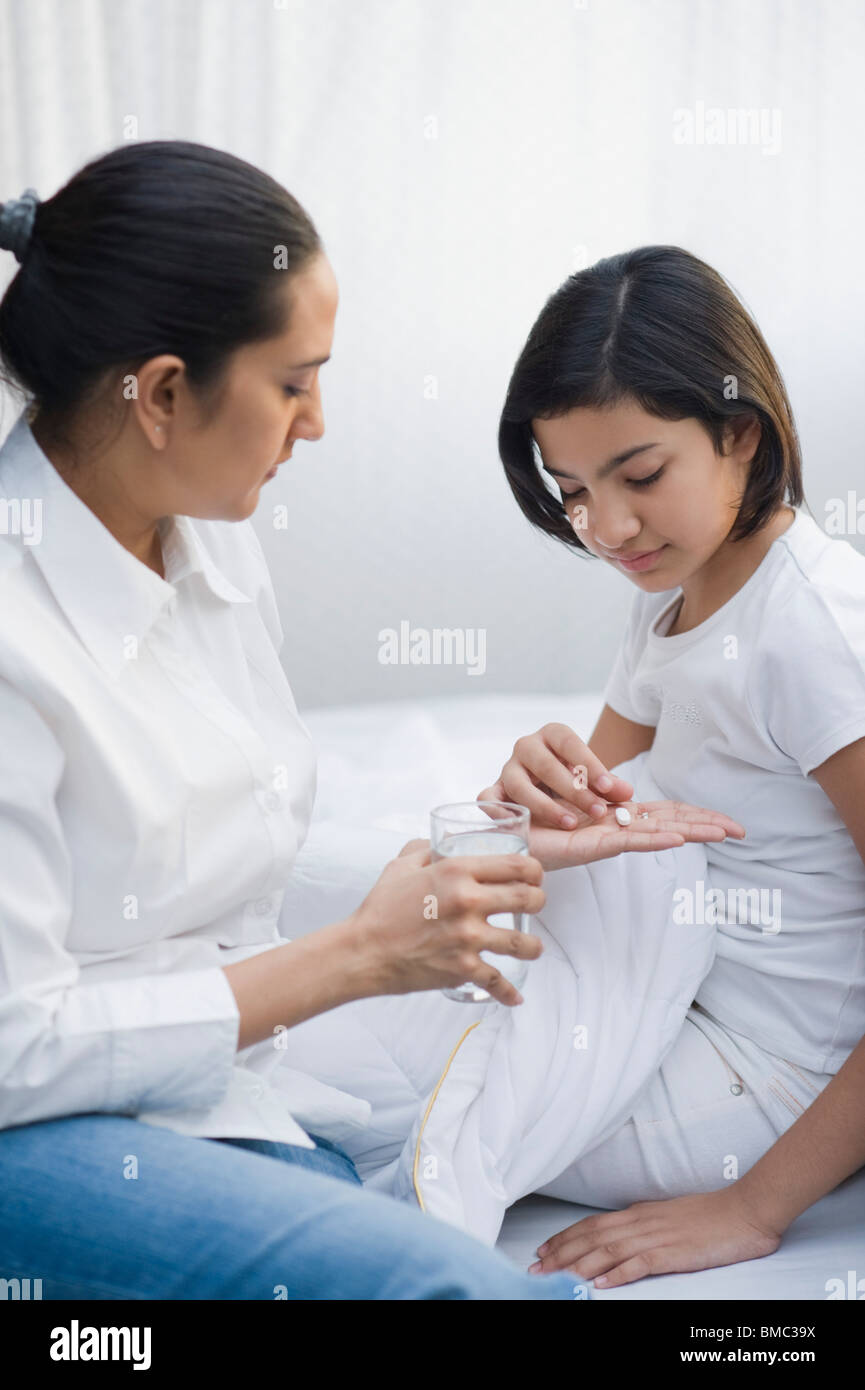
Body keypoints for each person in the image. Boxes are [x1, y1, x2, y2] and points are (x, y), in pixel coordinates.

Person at [0, 143, 736, 1301]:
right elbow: (14, 1047)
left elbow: (226, 875)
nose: (319, 422)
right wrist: (356, 956)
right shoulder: (13, 634)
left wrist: (487, 848)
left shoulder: (211, 546)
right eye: (292, 383)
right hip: (39, 1126)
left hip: (220, 1096)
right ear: (160, 393)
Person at [479, 244, 865, 1288]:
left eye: (639, 475)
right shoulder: (674, 589)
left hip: (775, 1077)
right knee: (349, 924)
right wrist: (532, 780)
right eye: (570, 491)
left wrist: (750, 1204)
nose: (605, 528)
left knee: (394, 1071)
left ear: (741, 434)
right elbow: (585, 800)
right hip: (674, 981)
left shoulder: (812, 636)